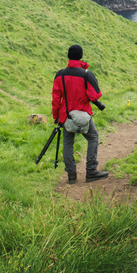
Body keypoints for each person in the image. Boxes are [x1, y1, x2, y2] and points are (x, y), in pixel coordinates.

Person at [51, 44, 108, 183]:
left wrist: (56, 116)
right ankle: (91, 171)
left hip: (66, 114)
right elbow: (95, 95)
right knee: (93, 137)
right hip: (83, 113)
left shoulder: (60, 74)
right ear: (81, 56)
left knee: (68, 143)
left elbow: (56, 99)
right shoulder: (86, 74)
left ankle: (71, 175)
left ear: (68, 56)